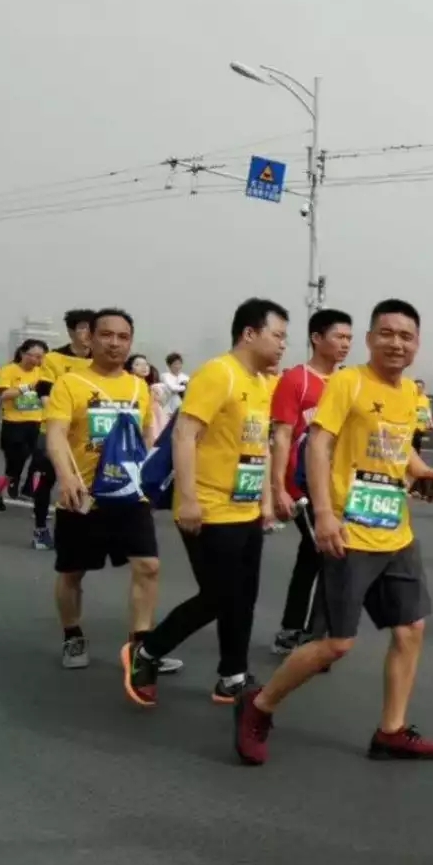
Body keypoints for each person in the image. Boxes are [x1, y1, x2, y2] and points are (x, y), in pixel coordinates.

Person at [234, 299, 433, 766]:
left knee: (411, 629)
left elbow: (398, 448)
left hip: (395, 530)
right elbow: (319, 443)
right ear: (370, 339)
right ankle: (259, 706)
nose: (396, 343)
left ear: (417, 344)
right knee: (336, 644)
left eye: (406, 336)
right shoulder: (349, 383)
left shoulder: (410, 394)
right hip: (350, 532)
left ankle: (391, 731)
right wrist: (325, 514)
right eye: (386, 333)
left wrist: (422, 470)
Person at [121, 298, 287, 707]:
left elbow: (259, 446)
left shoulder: (261, 383)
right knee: (218, 595)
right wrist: (189, 500)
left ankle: (232, 676)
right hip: (210, 509)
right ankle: (147, 652)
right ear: (249, 333)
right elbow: (184, 435)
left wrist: (266, 500)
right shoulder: (218, 373)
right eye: (278, 335)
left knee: (243, 596)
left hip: (246, 509)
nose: (283, 344)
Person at [45, 309, 181, 675]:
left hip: (129, 496)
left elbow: (147, 436)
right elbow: (56, 434)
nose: (114, 343)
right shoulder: (70, 384)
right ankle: (72, 635)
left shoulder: (139, 387)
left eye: (123, 337)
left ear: (131, 342)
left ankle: (141, 648)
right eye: (106, 335)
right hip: (83, 497)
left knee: (148, 566)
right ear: (89, 338)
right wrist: (66, 476)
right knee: (72, 572)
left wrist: (152, 478)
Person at [269, 308, 354, 655]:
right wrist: (278, 488)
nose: (345, 344)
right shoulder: (296, 380)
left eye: (349, 338)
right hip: (302, 485)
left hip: (336, 486)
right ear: (317, 338)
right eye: (339, 336)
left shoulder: (347, 382)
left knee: (312, 555)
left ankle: (293, 629)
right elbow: (282, 436)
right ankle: (313, 632)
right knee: (327, 551)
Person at [30, 310, 95, 549]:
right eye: (83, 328)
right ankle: (40, 529)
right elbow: (44, 392)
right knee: (47, 480)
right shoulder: (54, 358)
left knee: (88, 483)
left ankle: (79, 531)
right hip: (54, 430)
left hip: (88, 434)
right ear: (70, 331)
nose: (88, 333)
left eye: (92, 328)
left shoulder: (99, 361)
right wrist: (59, 420)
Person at [0, 340, 47, 514]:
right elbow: (4, 395)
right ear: (23, 353)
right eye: (34, 356)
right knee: (14, 466)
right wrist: (28, 387)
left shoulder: (43, 372)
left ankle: (32, 496)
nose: (37, 360)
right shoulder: (10, 370)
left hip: (36, 423)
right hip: (14, 424)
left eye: (40, 357)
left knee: (39, 463)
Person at [412, 379, 433, 454]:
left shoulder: (425, 399)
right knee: (412, 443)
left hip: (420, 425)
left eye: (420, 387)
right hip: (411, 425)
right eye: (417, 387)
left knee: (417, 442)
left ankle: (416, 455)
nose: (418, 388)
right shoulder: (410, 397)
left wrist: (430, 422)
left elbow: (428, 411)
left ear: (423, 388)